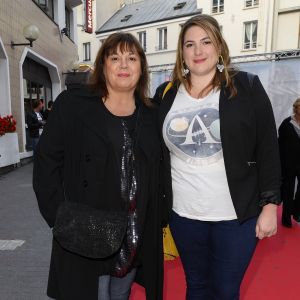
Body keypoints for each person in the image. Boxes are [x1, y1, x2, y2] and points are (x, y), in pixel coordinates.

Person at [153, 14, 281, 300]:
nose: (198, 51)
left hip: (235, 216)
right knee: (196, 285)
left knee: (225, 290)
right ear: (181, 53)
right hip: (183, 214)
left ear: (219, 46)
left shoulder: (246, 87)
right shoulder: (166, 94)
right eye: (190, 44)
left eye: (206, 41)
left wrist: (271, 204)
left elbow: (268, 148)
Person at [33, 32, 164, 300]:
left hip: (134, 233)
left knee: (121, 294)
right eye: (115, 58)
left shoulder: (153, 114)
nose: (124, 65)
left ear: (142, 66)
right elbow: (46, 162)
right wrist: (60, 216)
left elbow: (162, 169)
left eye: (131, 58)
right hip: (88, 231)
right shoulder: (73, 106)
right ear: (103, 66)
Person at [279, 98, 300, 228]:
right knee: (287, 191)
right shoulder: (286, 124)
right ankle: (286, 219)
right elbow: (280, 145)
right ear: (296, 108)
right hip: (288, 164)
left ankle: (296, 211)